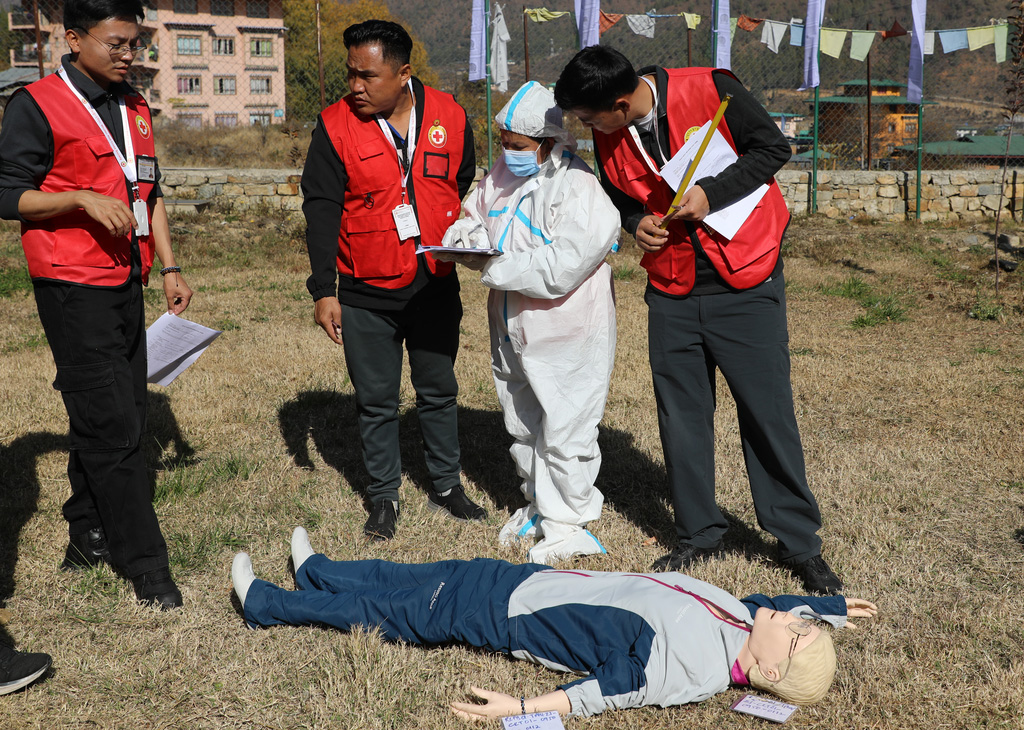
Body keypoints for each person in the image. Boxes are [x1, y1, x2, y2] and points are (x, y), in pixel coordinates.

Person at [554, 47, 842, 594]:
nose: (587, 130)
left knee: (766, 412)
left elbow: (772, 148)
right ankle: (699, 532)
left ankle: (798, 542)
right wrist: (635, 223)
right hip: (671, 286)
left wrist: (712, 194)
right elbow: (620, 196)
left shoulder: (712, 89)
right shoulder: (611, 129)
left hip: (746, 278)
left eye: (590, 120)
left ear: (619, 102)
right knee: (681, 414)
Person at [230, 528, 878, 719]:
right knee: (413, 571)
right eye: (801, 624)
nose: (791, 620)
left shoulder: (696, 667)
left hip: (504, 615)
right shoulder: (741, 619)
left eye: (796, 635)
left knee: (390, 611)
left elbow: (610, 689)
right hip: (520, 582)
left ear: (767, 670)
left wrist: (518, 706)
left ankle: (267, 605)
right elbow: (770, 599)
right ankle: (321, 569)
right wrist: (822, 610)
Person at [0, 0, 191, 609]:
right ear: (74, 38)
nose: (128, 55)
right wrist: (78, 199)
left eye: (134, 44)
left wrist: (170, 265)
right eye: (116, 43)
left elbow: (149, 190)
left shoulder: (134, 106)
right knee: (115, 424)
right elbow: (9, 195)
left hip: (126, 278)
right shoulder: (36, 104)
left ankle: (87, 532)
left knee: (119, 406)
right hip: (71, 283)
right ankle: (146, 565)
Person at [301, 20, 484, 541]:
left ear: (404, 73)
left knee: (438, 389)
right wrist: (323, 290)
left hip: (432, 283)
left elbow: (461, 177)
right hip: (364, 291)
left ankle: (446, 485)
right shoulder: (334, 125)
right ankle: (384, 496)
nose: (355, 86)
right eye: (350, 74)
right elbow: (321, 210)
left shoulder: (450, 114)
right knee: (376, 399)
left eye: (368, 76)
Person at [432, 82, 619, 564]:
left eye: (517, 145)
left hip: (566, 328)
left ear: (550, 142)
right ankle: (540, 504)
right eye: (503, 142)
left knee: (567, 425)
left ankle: (570, 524)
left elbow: (565, 264)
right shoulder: (503, 173)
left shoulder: (579, 187)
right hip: (510, 320)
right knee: (522, 418)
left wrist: (493, 267)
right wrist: (463, 237)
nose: (507, 152)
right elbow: (477, 212)